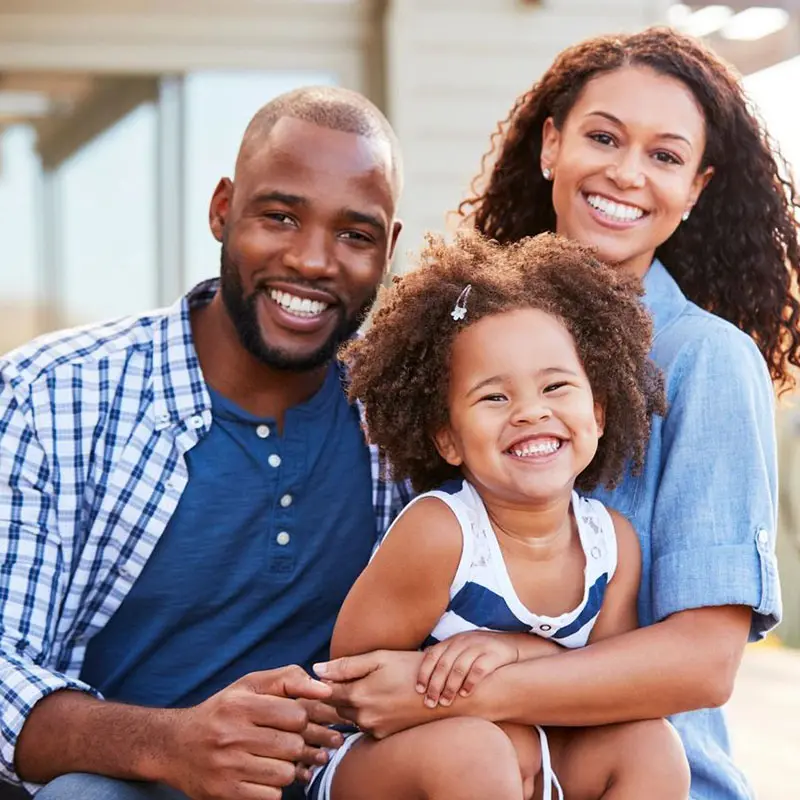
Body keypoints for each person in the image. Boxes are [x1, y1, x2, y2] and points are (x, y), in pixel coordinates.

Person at [314, 27, 794, 800]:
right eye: (603, 137)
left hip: (640, 772)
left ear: (696, 189)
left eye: (665, 156)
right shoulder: (463, 337)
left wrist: (472, 684)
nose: (626, 173)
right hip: (455, 764)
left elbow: (704, 662)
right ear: (550, 146)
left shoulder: (706, 361)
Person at [0, 86, 409, 800]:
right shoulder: (54, 396)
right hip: (129, 783)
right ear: (223, 209)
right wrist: (173, 744)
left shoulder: (404, 422)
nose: (314, 261)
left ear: (389, 249)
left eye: (355, 234)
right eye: (280, 216)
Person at [307, 232, 689, 800]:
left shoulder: (613, 545)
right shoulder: (442, 533)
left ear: (599, 412)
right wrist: (463, 691)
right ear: (448, 439)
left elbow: (608, 685)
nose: (532, 411)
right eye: (494, 397)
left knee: (651, 744)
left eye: (556, 386)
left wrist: (514, 651)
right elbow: (355, 682)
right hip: (394, 768)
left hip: (534, 762)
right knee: (476, 751)